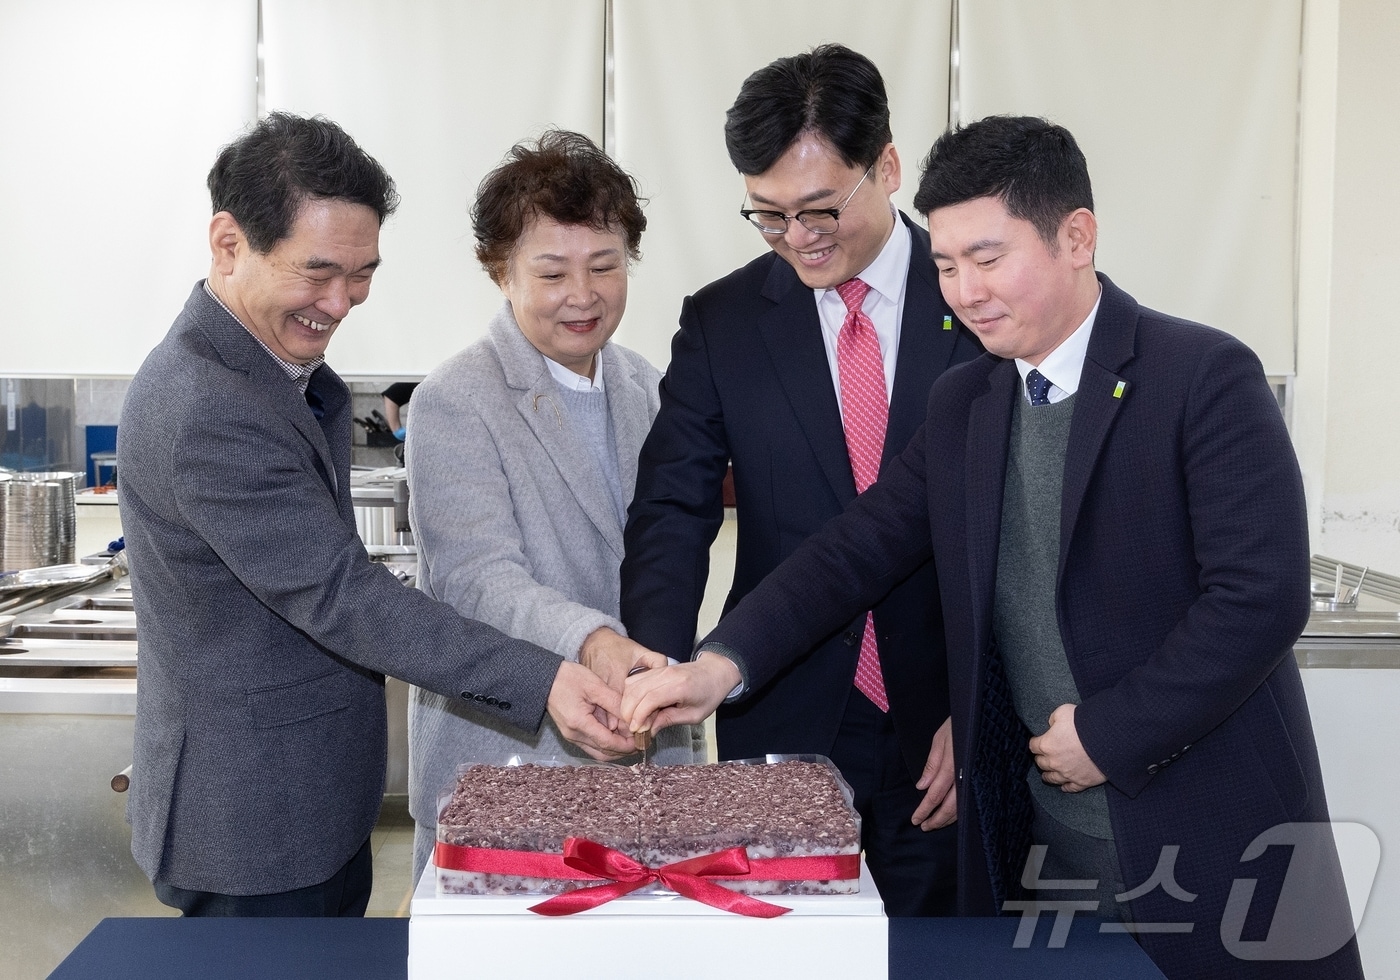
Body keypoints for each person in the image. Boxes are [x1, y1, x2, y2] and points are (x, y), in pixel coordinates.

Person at [622, 116, 1362, 978]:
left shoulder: (1201, 377)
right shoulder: (970, 401)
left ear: (1075, 237)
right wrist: (717, 668)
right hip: (1044, 853)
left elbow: (1260, 599)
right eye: (943, 264)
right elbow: (854, 551)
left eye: (988, 257)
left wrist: (1111, 733)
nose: (965, 290)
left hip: (1205, 838)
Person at [117, 112, 636, 918]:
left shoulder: (269, 369)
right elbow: (343, 597)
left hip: (309, 798)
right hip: (252, 821)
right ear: (228, 245)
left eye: (362, 273)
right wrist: (548, 679)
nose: (342, 300)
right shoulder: (205, 406)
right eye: (318, 271)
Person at [619, 44, 981, 917]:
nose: (799, 238)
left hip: (942, 722)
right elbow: (674, 505)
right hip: (781, 706)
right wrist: (653, 667)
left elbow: (1028, 545)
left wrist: (986, 715)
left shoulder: (979, 302)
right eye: (769, 215)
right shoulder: (725, 322)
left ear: (887, 167)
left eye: (820, 208)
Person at [404, 130, 699, 884]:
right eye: (552, 272)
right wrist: (596, 642)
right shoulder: (455, 400)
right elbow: (477, 578)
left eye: (604, 266)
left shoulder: (653, 387)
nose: (583, 295)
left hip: (640, 770)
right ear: (499, 271)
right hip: (508, 767)